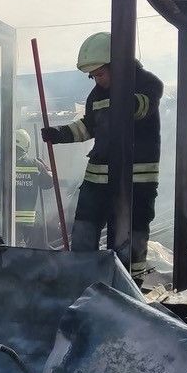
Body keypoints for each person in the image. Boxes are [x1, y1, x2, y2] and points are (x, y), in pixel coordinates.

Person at [41, 31, 162, 276]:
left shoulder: (148, 83)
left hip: (135, 180)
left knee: (129, 237)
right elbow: (89, 126)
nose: (97, 81)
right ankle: (82, 280)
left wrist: (121, 93)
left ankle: (129, 285)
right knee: (84, 231)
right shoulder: (96, 94)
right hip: (97, 178)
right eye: (93, 76)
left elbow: (139, 108)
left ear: (117, 65)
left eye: (100, 74)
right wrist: (59, 133)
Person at [0, 128, 54, 248]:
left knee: (5, 248)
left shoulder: (0, 164)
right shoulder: (36, 165)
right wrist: (46, 168)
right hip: (27, 222)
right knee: (25, 251)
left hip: (5, 220)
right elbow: (48, 184)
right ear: (26, 145)